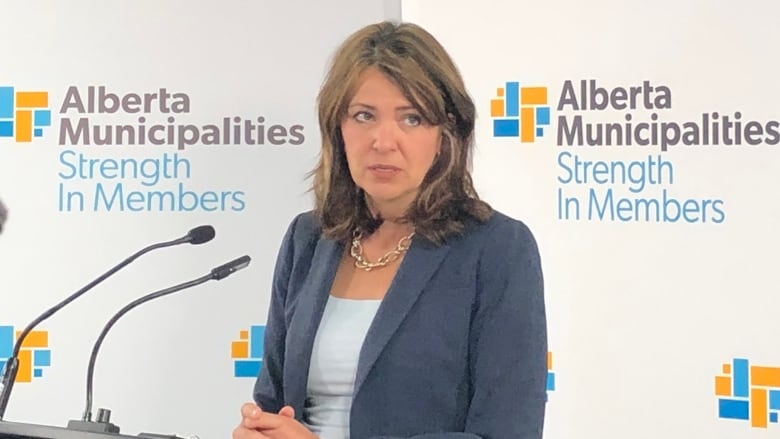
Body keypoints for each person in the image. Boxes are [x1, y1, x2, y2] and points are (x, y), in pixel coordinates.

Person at [232, 20, 547, 439]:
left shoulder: (497, 248)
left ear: (445, 133)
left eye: (411, 118)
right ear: (337, 128)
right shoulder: (308, 238)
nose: (383, 140)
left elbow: (508, 431)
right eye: (363, 116)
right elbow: (272, 402)